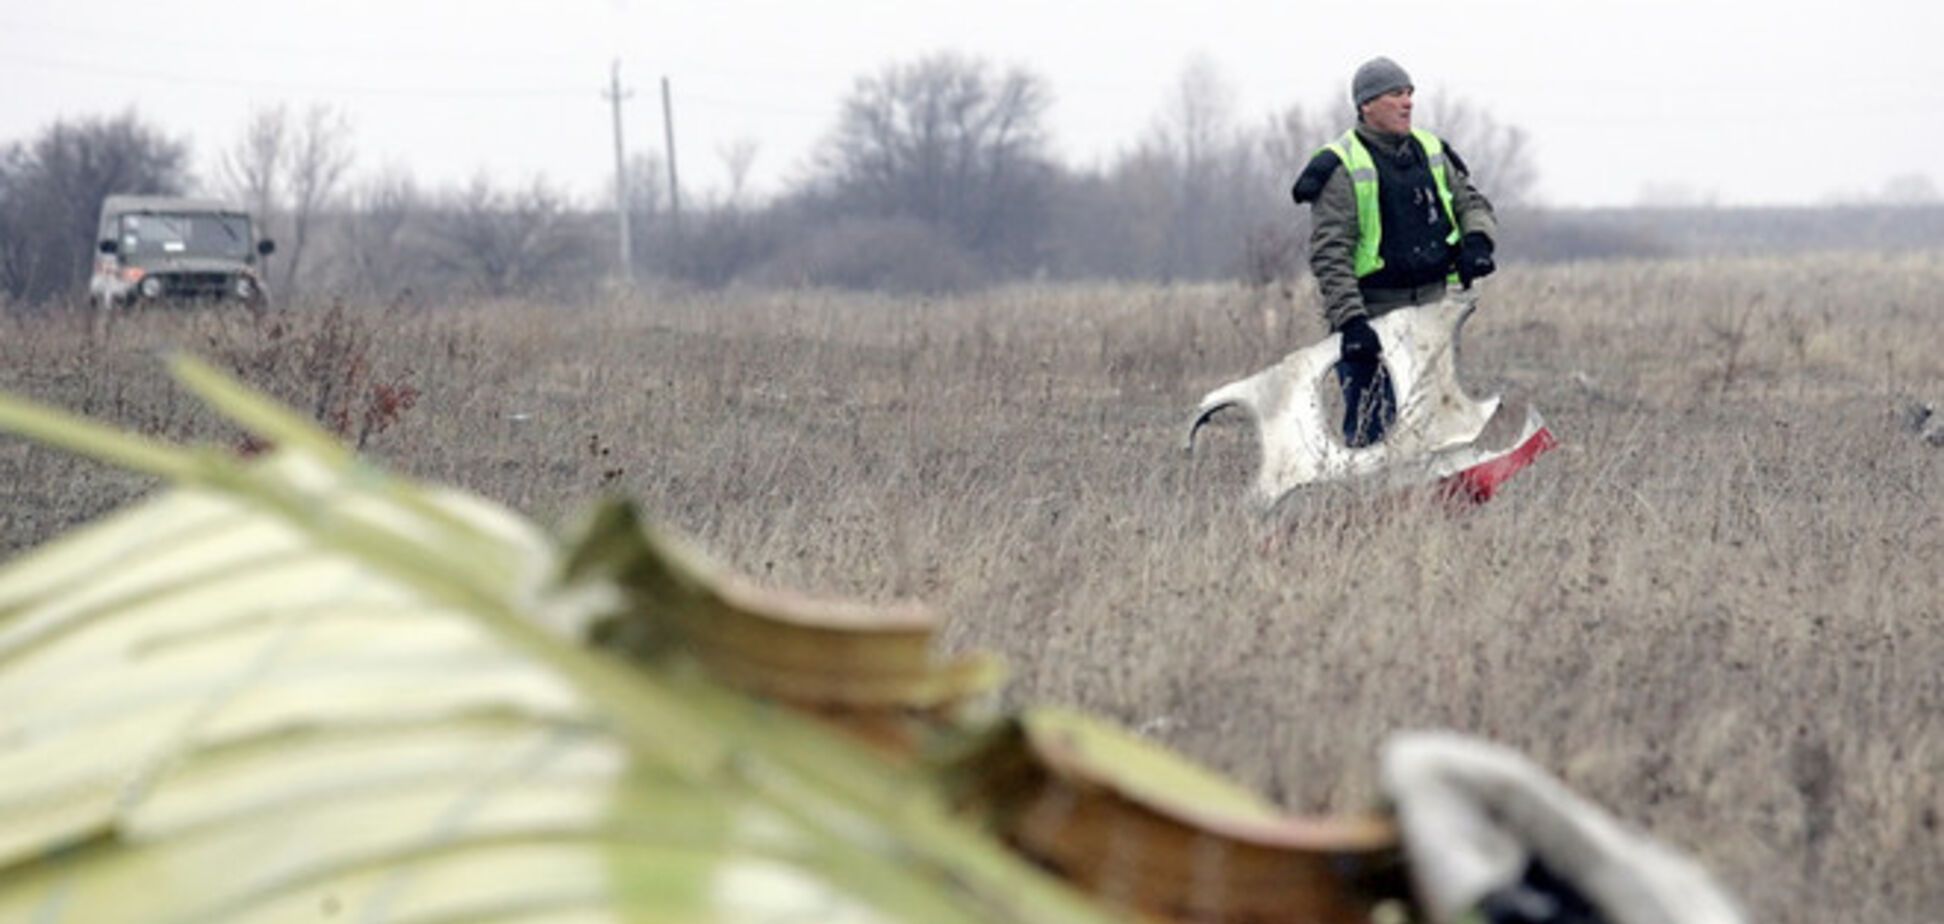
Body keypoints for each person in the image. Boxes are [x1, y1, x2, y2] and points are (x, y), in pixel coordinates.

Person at [1292, 57, 1499, 447]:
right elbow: (1329, 255)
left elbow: (1473, 203)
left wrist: (1477, 242)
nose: (1407, 103)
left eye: (1409, 93)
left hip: (1433, 311)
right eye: (1395, 94)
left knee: (1441, 427)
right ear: (1366, 105)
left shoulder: (1431, 149)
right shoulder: (1339, 166)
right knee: (1374, 429)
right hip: (1372, 316)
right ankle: (1368, 507)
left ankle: (1438, 506)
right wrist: (1351, 322)